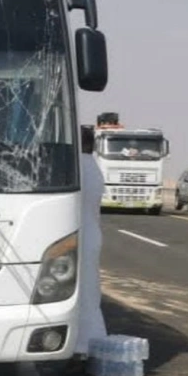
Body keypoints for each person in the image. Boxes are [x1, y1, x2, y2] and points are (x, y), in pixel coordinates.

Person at [73, 124, 107, 362]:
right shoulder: (93, 166)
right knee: (90, 294)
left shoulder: (79, 167)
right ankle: (89, 344)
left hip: (81, 237)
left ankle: (83, 348)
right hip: (91, 235)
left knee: (83, 295)